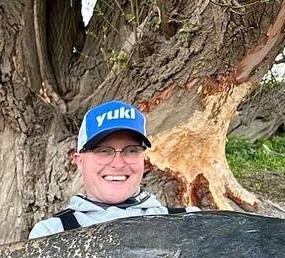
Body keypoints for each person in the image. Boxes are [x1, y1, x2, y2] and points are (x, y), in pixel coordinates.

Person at [28, 100, 189, 240]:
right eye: (103, 151)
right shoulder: (50, 234)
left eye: (131, 150)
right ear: (79, 161)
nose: (118, 164)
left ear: (144, 159)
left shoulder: (189, 222)